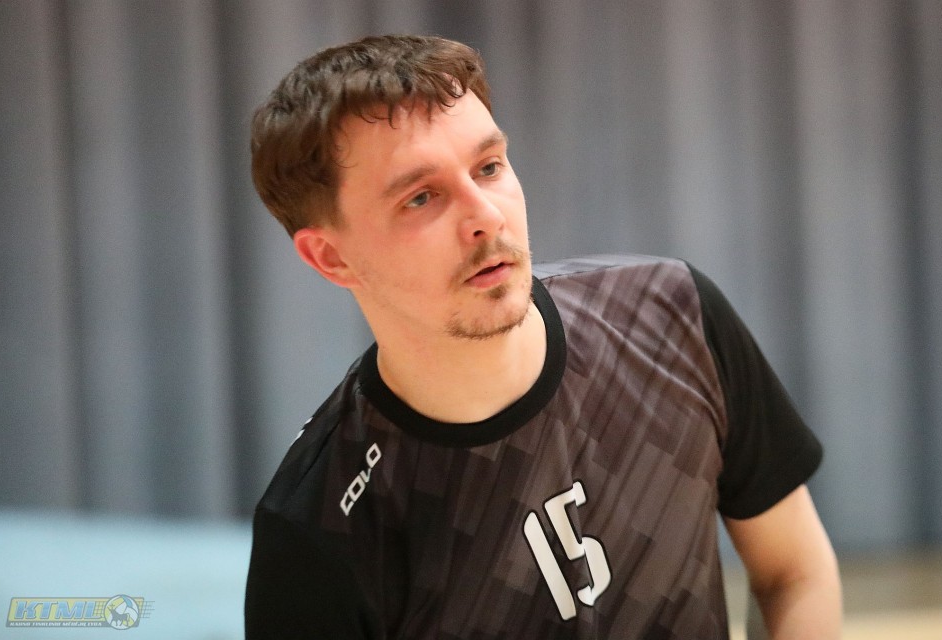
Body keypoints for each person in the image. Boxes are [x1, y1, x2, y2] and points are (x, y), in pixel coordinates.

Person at [244, 34, 842, 639]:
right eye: (421, 197)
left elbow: (793, 573)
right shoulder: (315, 526)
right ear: (331, 257)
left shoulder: (673, 311)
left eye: (489, 167)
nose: (486, 216)